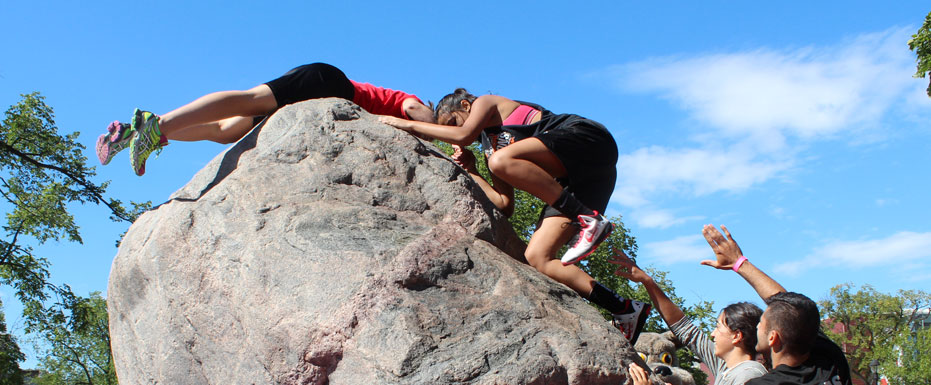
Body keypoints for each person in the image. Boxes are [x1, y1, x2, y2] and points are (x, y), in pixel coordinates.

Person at [380, 89, 651, 343]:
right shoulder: (492, 152)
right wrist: (473, 170)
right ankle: (624, 308)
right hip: (582, 182)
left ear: (465, 106)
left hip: (586, 141)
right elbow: (504, 205)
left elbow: (463, 135)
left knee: (500, 161)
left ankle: (588, 220)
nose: (450, 131)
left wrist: (407, 124)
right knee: (538, 257)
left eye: (452, 122)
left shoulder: (487, 103)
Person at [96, 62, 435, 175]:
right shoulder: (417, 104)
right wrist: (441, 137)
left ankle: (138, 130)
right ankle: (158, 126)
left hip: (323, 94)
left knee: (224, 131)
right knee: (249, 100)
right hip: (328, 82)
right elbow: (417, 114)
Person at [700, 224, 852, 385]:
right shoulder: (830, 360)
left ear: (773, 337)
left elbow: (788, 309)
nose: (757, 326)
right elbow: (791, 310)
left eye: (762, 323)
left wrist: (740, 263)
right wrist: (739, 263)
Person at [611, 249, 767, 385]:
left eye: (719, 327)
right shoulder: (726, 366)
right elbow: (685, 329)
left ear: (737, 335)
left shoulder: (748, 375)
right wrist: (647, 282)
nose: (712, 334)